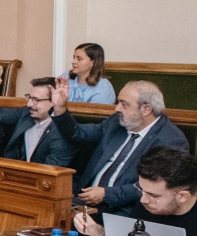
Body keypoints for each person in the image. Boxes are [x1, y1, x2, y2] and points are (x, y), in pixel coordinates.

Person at [51, 79, 189, 216]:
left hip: (124, 210)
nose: (117, 108)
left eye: (124, 104)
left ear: (146, 109)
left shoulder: (171, 140)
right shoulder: (116, 123)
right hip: (85, 201)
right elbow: (78, 133)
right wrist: (60, 109)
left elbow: (157, 186)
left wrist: (106, 194)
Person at [73, 147, 197, 236]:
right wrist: (98, 232)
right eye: (141, 189)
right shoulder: (146, 205)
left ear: (182, 196)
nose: (143, 200)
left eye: (153, 196)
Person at [0, 73, 76, 167]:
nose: (29, 104)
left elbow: (52, 172)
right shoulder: (26, 113)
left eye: (36, 100)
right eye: (29, 98)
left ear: (54, 101)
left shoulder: (65, 130)